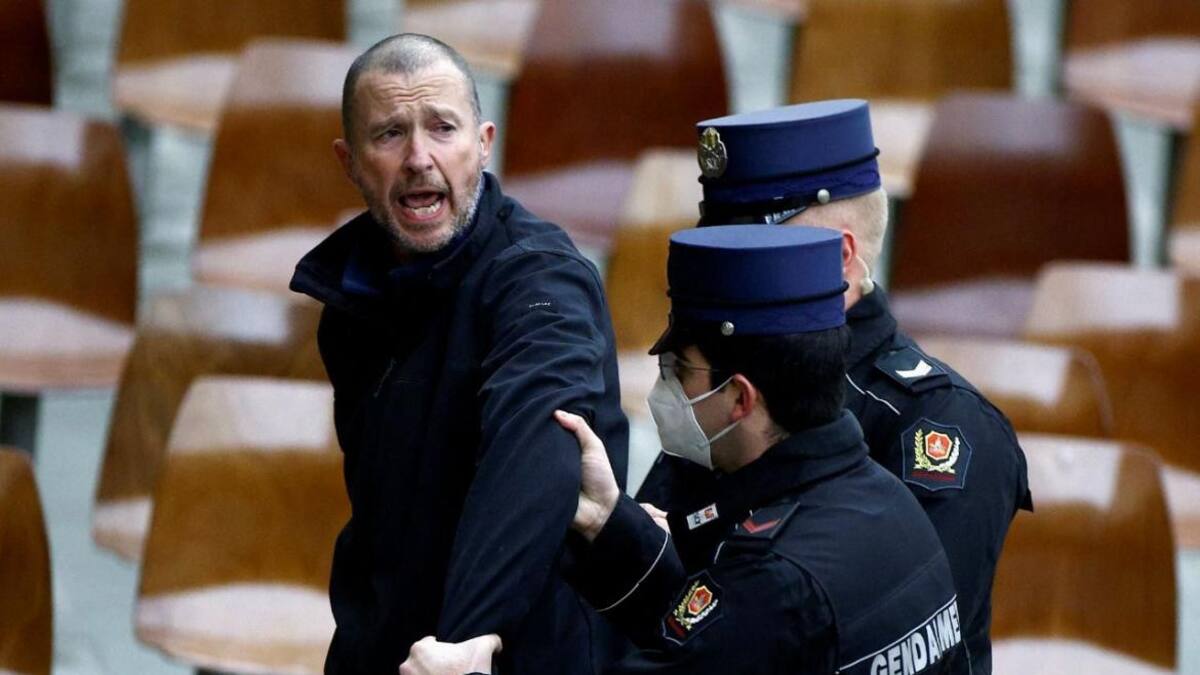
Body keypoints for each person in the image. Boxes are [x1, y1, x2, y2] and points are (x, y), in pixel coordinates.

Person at [400, 225, 968, 674]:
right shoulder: (885, 501)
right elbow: (716, 640)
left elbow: (740, 631)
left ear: (740, 398)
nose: (664, 389)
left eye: (679, 371)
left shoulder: (774, 579)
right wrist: (607, 521)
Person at [637, 99, 1033, 672]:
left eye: (753, 245)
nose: (723, 264)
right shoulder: (720, 384)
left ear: (841, 259)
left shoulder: (941, 425)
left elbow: (877, 644)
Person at [289, 33, 629, 674]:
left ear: (484, 142)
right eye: (390, 133)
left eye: (443, 128)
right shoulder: (351, 303)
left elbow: (534, 455)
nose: (419, 157)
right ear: (349, 161)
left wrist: (465, 641)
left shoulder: (541, 279)